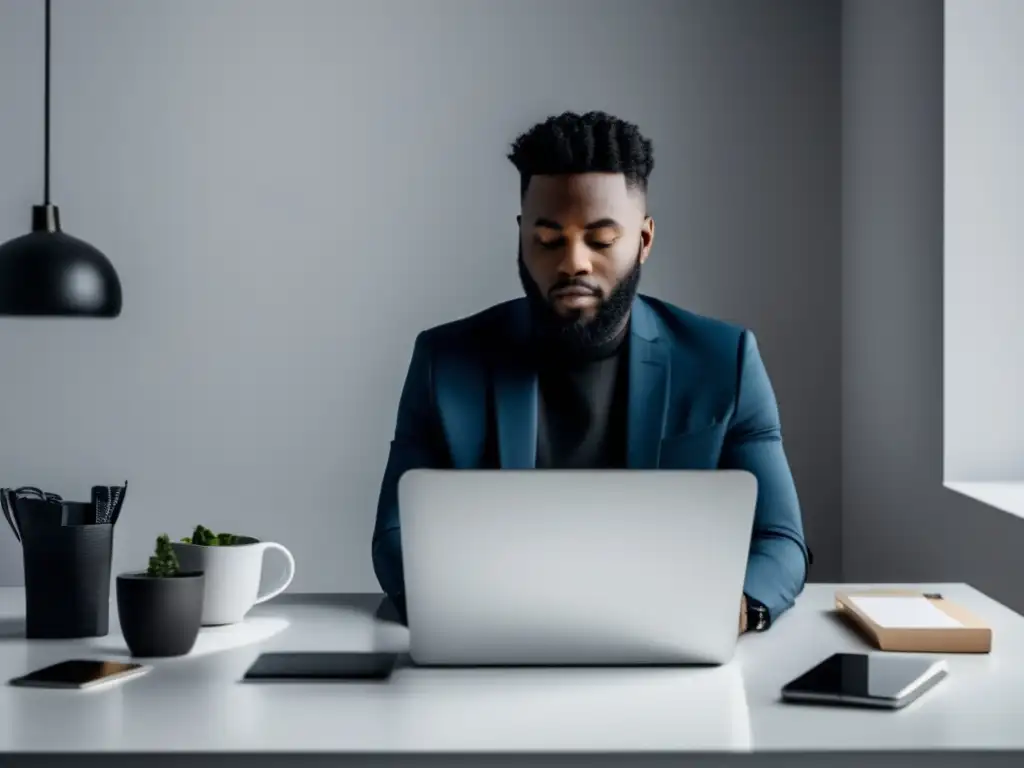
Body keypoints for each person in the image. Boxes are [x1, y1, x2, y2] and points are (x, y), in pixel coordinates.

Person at [371, 111, 809, 633]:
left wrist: (733, 608)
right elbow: (395, 535)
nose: (573, 262)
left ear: (644, 240)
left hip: (666, 651)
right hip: (497, 648)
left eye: (600, 240)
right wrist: (496, 613)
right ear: (521, 237)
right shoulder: (443, 361)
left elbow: (781, 541)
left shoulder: (724, 360)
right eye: (549, 239)